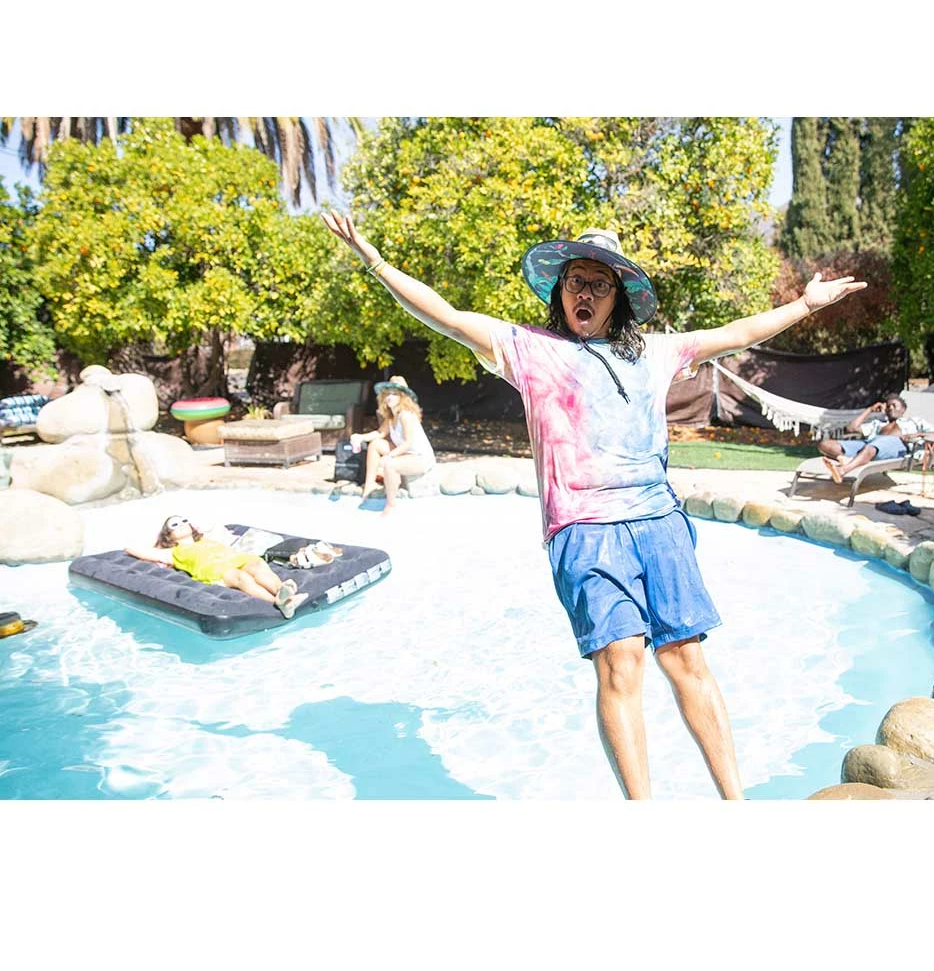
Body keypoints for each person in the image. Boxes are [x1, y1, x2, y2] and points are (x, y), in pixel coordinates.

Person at [322, 210, 867, 799]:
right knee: (620, 661)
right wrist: (375, 260)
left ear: (618, 298)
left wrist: (805, 304)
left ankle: (737, 805)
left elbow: (738, 333)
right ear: (560, 290)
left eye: (599, 284)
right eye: (576, 281)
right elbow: (446, 316)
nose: (585, 293)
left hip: (659, 521)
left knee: (685, 659)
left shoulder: (655, 352)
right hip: (584, 529)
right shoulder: (527, 349)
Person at [126, 516, 309, 618]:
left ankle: (284, 592)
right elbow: (131, 548)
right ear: (168, 534)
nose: (181, 525)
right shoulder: (172, 553)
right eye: (174, 525)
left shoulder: (207, 539)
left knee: (258, 566)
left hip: (238, 559)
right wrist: (159, 539)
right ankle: (279, 602)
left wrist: (197, 527)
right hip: (216, 571)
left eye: (184, 521)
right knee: (242, 578)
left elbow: (216, 524)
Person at [349, 375, 436, 515]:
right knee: (375, 444)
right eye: (388, 393)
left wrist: (390, 456)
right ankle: (369, 484)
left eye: (394, 394)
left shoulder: (405, 415)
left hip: (419, 458)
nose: (390, 397)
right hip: (406, 453)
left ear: (402, 397)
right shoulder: (391, 416)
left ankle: (390, 505)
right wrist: (360, 437)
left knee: (390, 465)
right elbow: (379, 433)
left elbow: (407, 443)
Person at [817, 394, 934, 484]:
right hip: (870, 444)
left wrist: (918, 434)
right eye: (888, 406)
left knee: (872, 446)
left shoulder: (914, 422)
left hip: (896, 445)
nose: (890, 408)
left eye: (894, 405)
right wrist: (870, 410)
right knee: (824, 444)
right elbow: (851, 428)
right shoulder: (878, 424)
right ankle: (847, 460)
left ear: (903, 409)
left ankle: (843, 470)